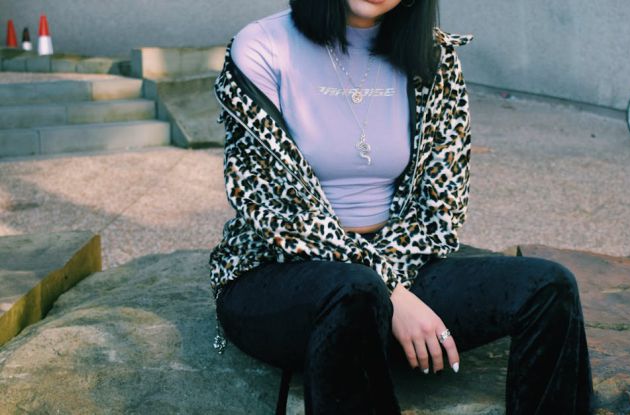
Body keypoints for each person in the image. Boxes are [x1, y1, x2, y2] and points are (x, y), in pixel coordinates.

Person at [209, 0, 595, 413]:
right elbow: (273, 204)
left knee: (550, 287)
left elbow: (441, 205)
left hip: (400, 262)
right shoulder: (262, 47)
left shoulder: (433, 57)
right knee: (356, 293)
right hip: (278, 272)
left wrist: (393, 287)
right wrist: (392, 292)